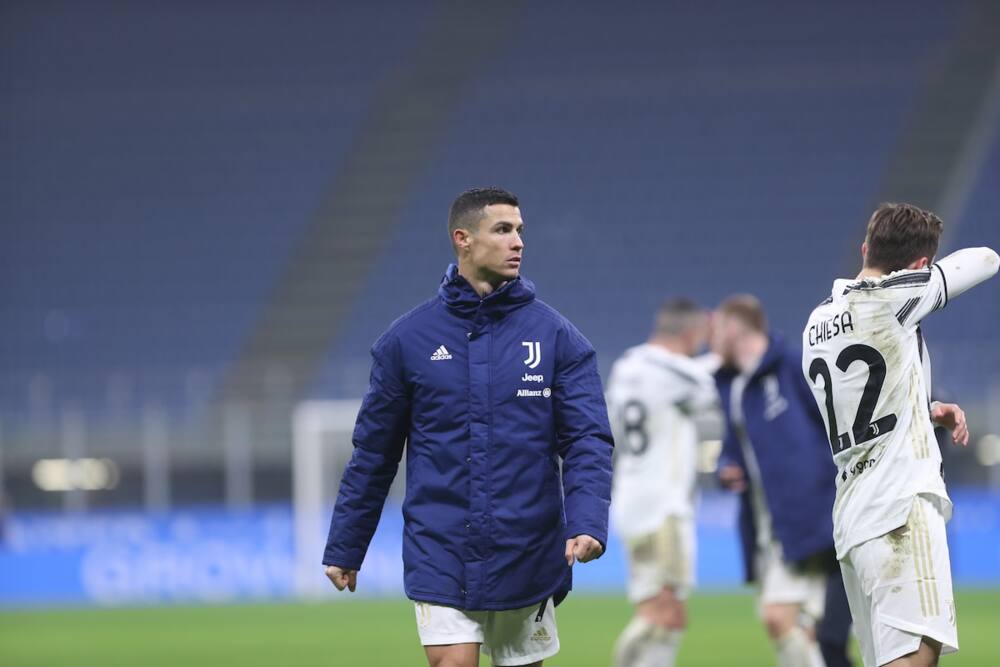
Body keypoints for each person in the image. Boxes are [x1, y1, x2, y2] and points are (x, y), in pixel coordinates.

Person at [322, 187, 615, 667]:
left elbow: (587, 438)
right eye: (502, 230)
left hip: (528, 545)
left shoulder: (558, 338)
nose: (517, 241)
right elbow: (374, 454)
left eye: (520, 230)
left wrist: (587, 520)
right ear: (463, 239)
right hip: (441, 544)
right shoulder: (406, 342)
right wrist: (347, 545)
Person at [801, 202, 999, 667]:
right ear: (919, 265)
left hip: (853, 518)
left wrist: (923, 411)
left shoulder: (817, 322)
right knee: (913, 660)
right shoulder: (897, 298)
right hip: (900, 509)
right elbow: (986, 258)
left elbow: (861, 403)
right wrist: (924, 278)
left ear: (865, 246)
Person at [713, 295, 853, 667]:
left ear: (734, 328)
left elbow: (834, 421)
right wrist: (725, 469)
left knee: (781, 618)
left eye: (716, 329)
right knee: (801, 629)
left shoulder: (792, 365)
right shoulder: (733, 387)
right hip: (769, 526)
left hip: (814, 517)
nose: (711, 338)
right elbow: (733, 448)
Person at [605, 298, 720, 667]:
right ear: (690, 332)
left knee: (660, 609)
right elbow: (713, 382)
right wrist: (724, 345)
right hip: (664, 507)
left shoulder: (626, 366)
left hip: (631, 500)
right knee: (664, 613)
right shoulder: (676, 370)